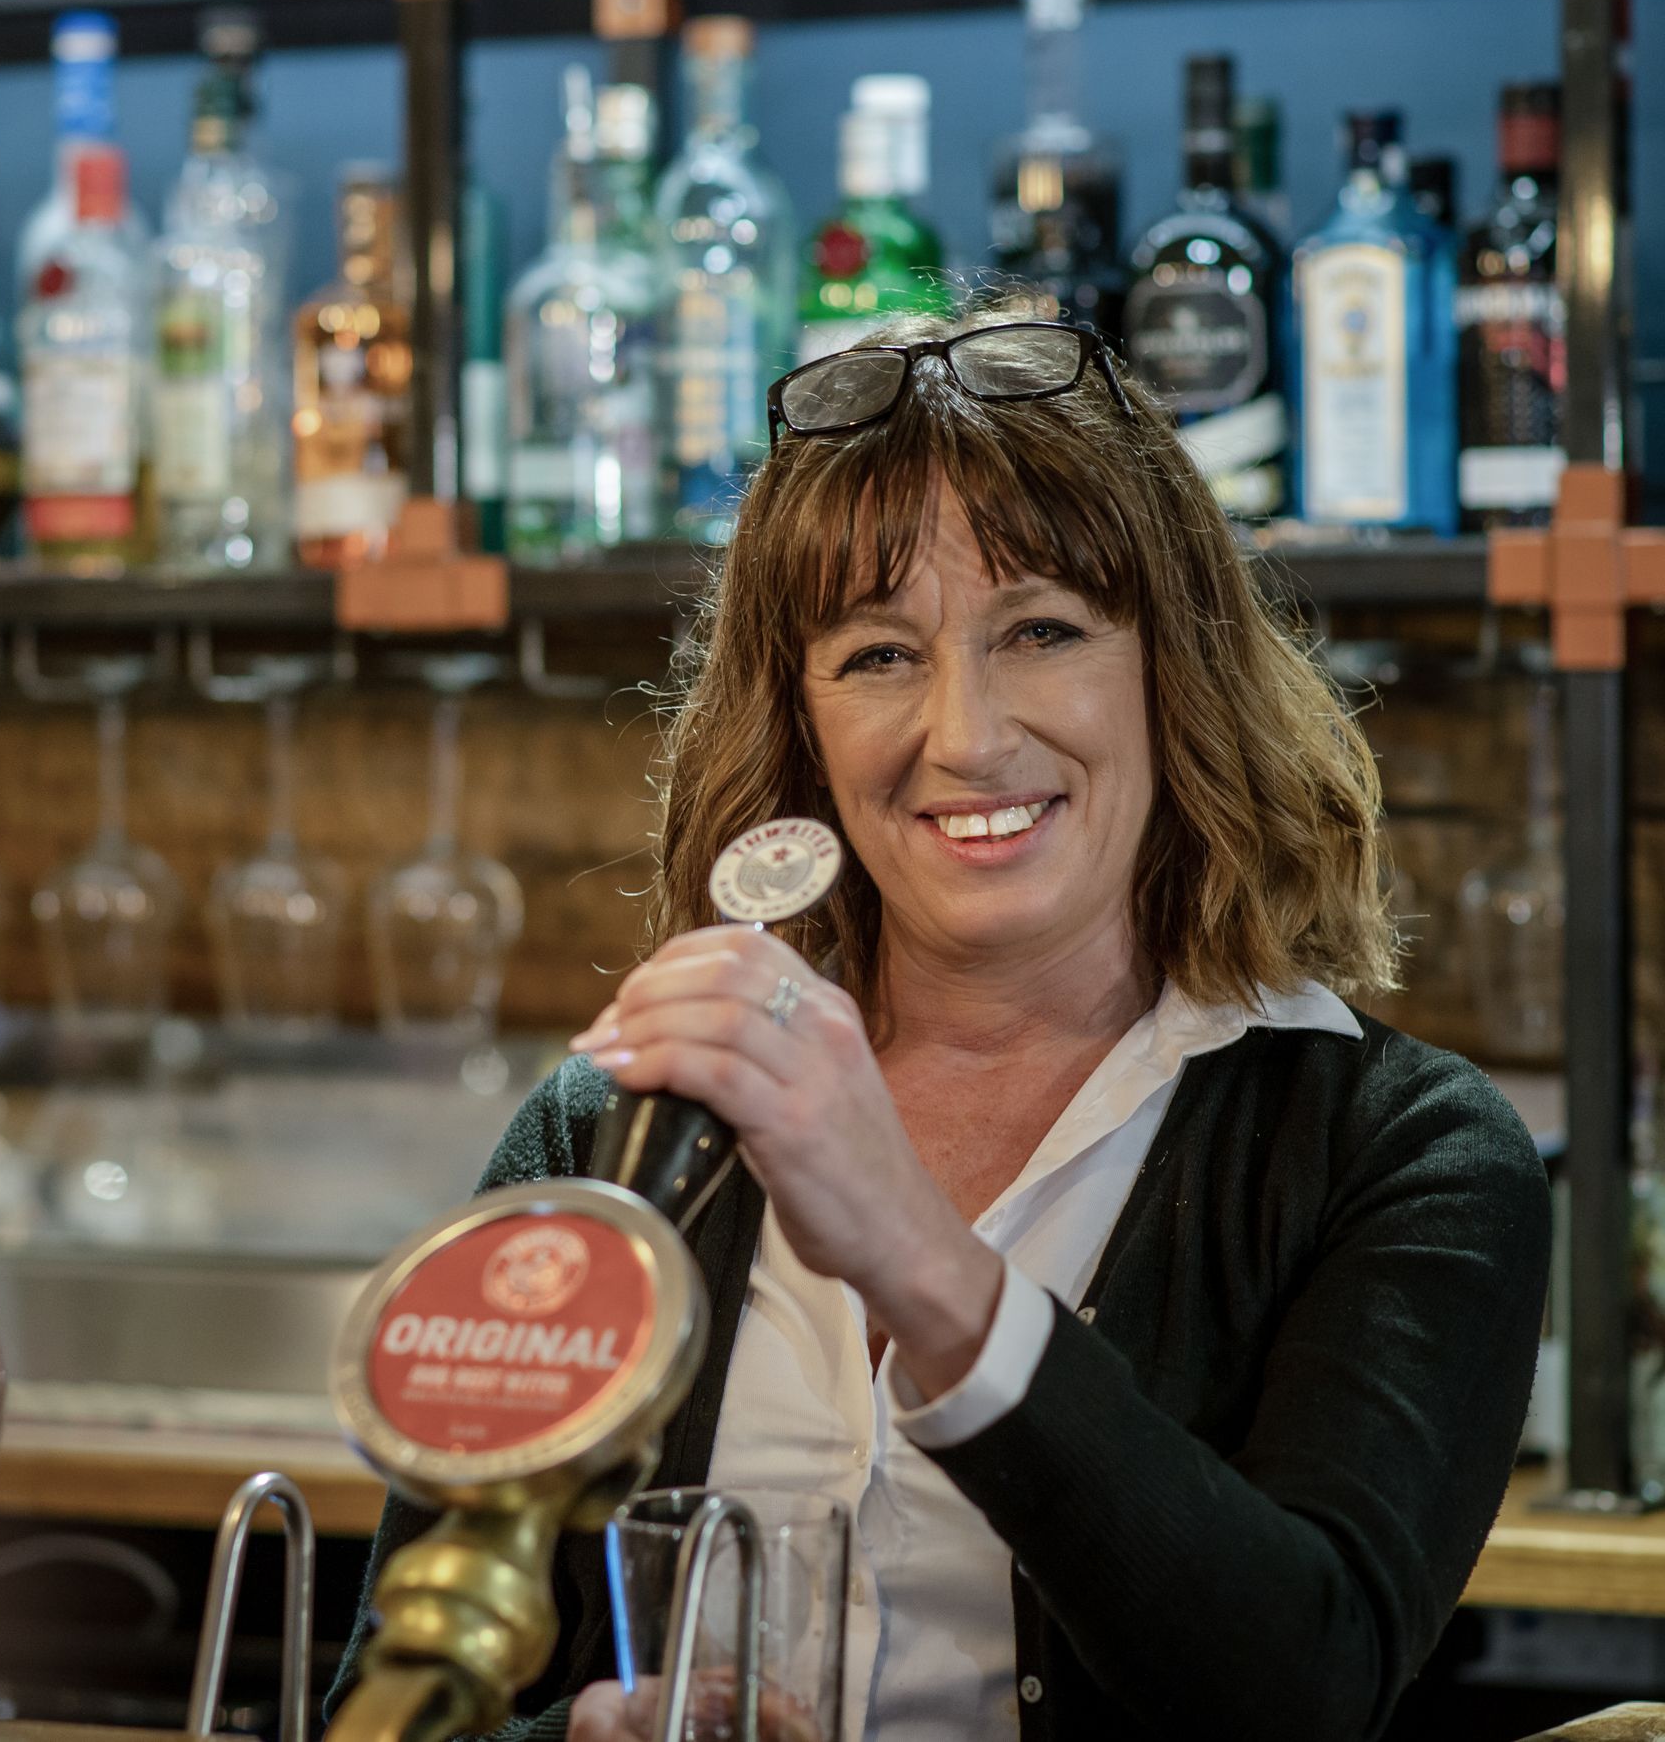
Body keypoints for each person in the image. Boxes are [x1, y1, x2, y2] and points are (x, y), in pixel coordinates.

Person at [331, 302, 1552, 1742]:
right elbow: (397, 1704)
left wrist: (918, 1259)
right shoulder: (610, 1135)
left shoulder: (1403, 1156)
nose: (966, 734)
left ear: (1177, 670)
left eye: (1042, 629)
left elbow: (1300, 1686)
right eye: (877, 655)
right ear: (798, 719)